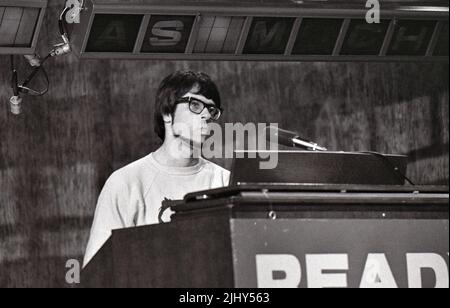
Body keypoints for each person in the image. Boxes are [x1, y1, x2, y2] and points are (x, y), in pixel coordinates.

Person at [83, 71, 230, 267]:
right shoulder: (125, 183)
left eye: (212, 110)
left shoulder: (225, 182)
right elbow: (98, 271)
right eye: (195, 105)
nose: (206, 115)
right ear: (167, 114)